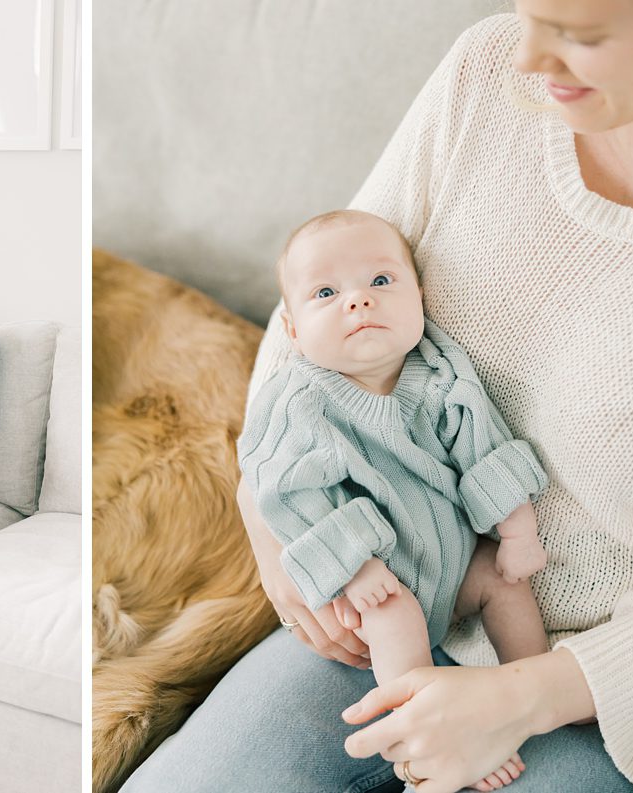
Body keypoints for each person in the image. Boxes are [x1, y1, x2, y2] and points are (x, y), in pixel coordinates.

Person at [121, 2, 633, 792]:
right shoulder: (487, 72)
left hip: (600, 695)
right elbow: (314, 297)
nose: (525, 57)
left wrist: (525, 694)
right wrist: (272, 517)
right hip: (387, 594)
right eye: (527, 11)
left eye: (579, 34)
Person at [238, 209, 550, 789]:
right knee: (392, 613)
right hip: (380, 579)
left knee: (505, 582)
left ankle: (524, 700)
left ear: (420, 297)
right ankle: (421, 732)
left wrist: (517, 531)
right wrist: (354, 567)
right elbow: (285, 492)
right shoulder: (300, 402)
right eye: (326, 293)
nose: (358, 302)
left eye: (381, 282)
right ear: (293, 330)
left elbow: (484, 445)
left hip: (459, 566)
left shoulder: (439, 371)